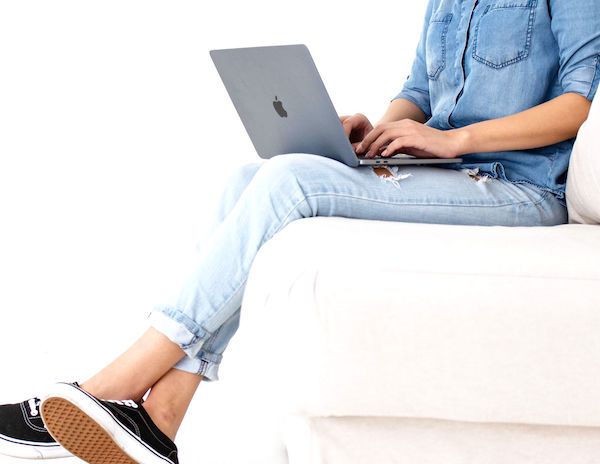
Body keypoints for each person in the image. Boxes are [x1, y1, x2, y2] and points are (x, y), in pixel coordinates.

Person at [1, 0, 598, 463]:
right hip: (443, 170)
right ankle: (162, 420)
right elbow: (419, 91)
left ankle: (115, 385)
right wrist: (375, 135)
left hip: (518, 186)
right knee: (248, 178)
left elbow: (581, 101)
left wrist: (454, 140)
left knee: (291, 182)